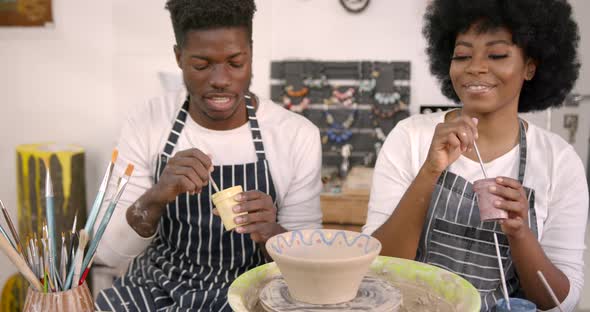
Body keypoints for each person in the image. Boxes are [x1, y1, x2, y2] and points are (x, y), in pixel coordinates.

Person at [93, 0, 322, 310]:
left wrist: (274, 235)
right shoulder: (147, 121)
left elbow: (311, 270)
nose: (220, 80)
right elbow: (106, 253)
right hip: (158, 287)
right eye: (201, 65)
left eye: (235, 62)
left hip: (251, 292)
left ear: (250, 54)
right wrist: (155, 197)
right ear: (179, 57)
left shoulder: (295, 135)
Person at [363, 0, 587, 311]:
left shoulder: (559, 162)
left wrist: (521, 235)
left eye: (496, 55)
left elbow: (562, 300)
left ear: (530, 67)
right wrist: (429, 173)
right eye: (463, 55)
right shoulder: (410, 137)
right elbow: (376, 266)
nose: (475, 67)